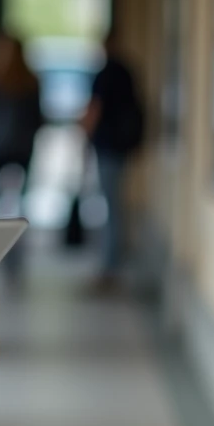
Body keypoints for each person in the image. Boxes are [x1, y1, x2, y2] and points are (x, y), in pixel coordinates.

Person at [79, 29, 144, 289]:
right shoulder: (127, 72)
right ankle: (113, 262)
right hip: (121, 147)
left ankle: (110, 267)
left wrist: (84, 134)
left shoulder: (106, 74)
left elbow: (95, 110)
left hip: (108, 147)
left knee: (111, 206)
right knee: (115, 204)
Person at [0, 32, 45, 220]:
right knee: (21, 199)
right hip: (23, 147)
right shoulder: (32, 82)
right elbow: (38, 118)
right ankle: (19, 227)